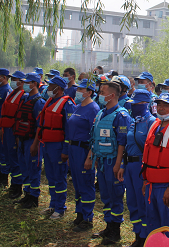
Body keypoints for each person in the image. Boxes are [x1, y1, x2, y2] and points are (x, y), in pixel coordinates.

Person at [88, 81, 131, 244]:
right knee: (105, 195)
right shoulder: (101, 113)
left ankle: (115, 231)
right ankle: (108, 225)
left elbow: (122, 142)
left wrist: (118, 164)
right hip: (102, 161)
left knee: (115, 195)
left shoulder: (121, 115)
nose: (99, 94)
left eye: (102, 92)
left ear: (112, 95)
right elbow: (95, 137)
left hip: (113, 160)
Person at [142, 93, 169, 240]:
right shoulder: (154, 126)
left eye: (166, 105)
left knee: (168, 227)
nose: (161, 108)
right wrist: (145, 181)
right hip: (150, 184)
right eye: (159, 105)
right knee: (152, 226)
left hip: (166, 186)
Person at [31, 75, 74, 219]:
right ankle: (53, 204)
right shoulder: (49, 101)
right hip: (47, 144)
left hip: (58, 146)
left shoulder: (67, 105)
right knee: (50, 176)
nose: (48, 89)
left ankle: (60, 207)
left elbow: (69, 130)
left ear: (59, 89)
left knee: (59, 177)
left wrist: (65, 150)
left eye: (51, 86)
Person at [122, 89, 155, 246]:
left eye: (137, 104)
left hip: (142, 166)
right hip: (130, 165)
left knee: (143, 202)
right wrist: (123, 164)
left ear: (145, 104)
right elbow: (127, 144)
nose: (133, 107)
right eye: (132, 104)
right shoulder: (134, 121)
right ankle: (137, 234)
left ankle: (145, 236)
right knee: (132, 201)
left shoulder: (151, 122)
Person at [65, 79, 100, 231]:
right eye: (78, 88)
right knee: (78, 184)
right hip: (73, 149)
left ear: (89, 92)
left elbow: (95, 135)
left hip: (84, 150)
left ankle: (87, 217)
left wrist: (90, 156)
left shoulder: (93, 108)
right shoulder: (78, 107)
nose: (78, 91)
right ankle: (79, 212)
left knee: (86, 183)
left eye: (81, 89)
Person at [13, 73, 46, 209]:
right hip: (22, 139)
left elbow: (40, 126)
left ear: (34, 84)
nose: (25, 84)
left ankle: (33, 197)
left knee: (33, 169)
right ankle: (26, 193)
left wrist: (35, 144)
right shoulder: (25, 99)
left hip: (32, 141)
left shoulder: (39, 102)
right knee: (24, 167)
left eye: (28, 82)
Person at [0, 70, 26, 198]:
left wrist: (16, 134)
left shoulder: (22, 95)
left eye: (15, 79)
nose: (13, 81)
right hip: (6, 128)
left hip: (13, 130)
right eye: (13, 79)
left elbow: (19, 116)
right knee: (8, 156)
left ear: (21, 82)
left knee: (15, 159)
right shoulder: (12, 93)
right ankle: (12, 184)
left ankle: (17, 186)